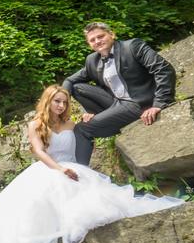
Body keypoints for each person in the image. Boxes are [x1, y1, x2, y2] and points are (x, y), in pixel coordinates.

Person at [0, 85, 183, 243]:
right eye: (57, 101)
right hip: (48, 168)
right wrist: (60, 169)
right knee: (31, 204)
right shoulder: (36, 124)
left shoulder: (71, 123)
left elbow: (86, 138)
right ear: (48, 101)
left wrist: (88, 120)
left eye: (64, 102)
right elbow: (39, 151)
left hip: (74, 167)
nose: (61, 105)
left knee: (97, 201)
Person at [63, 22, 176, 166]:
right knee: (77, 87)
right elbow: (69, 80)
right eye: (92, 40)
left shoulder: (132, 46)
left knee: (81, 129)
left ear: (112, 34)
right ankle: (101, 118)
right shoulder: (92, 60)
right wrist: (64, 107)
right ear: (89, 44)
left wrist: (159, 103)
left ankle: (81, 174)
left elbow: (164, 70)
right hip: (116, 103)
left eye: (100, 36)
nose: (97, 41)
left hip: (139, 104)